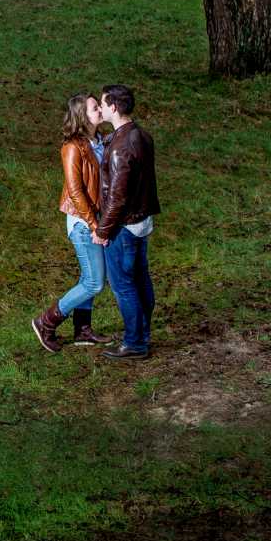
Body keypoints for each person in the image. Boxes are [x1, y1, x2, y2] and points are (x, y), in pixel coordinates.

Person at [30, 93, 111, 353]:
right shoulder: (72, 148)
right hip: (82, 222)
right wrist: (92, 224)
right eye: (94, 107)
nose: (100, 109)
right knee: (95, 282)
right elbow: (75, 192)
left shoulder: (99, 141)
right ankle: (46, 321)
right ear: (81, 116)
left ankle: (82, 330)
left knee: (88, 275)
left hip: (96, 218)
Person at [90, 84, 159, 360]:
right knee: (141, 280)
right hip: (142, 221)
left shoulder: (120, 147)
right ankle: (142, 333)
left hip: (124, 227)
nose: (102, 109)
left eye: (104, 104)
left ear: (114, 108)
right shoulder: (141, 135)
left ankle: (135, 343)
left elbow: (117, 197)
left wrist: (103, 230)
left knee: (123, 285)